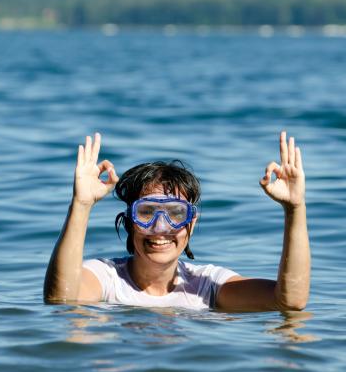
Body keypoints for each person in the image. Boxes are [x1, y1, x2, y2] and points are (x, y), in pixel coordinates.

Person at [44, 131, 310, 312]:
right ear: (128, 222)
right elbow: (62, 298)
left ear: (191, 225)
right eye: (147, 212)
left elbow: (290, 302)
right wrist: (81, 205)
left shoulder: (207, 285)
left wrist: (294, 209)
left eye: (176, 213)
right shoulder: (107, 278)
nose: (161, 227)